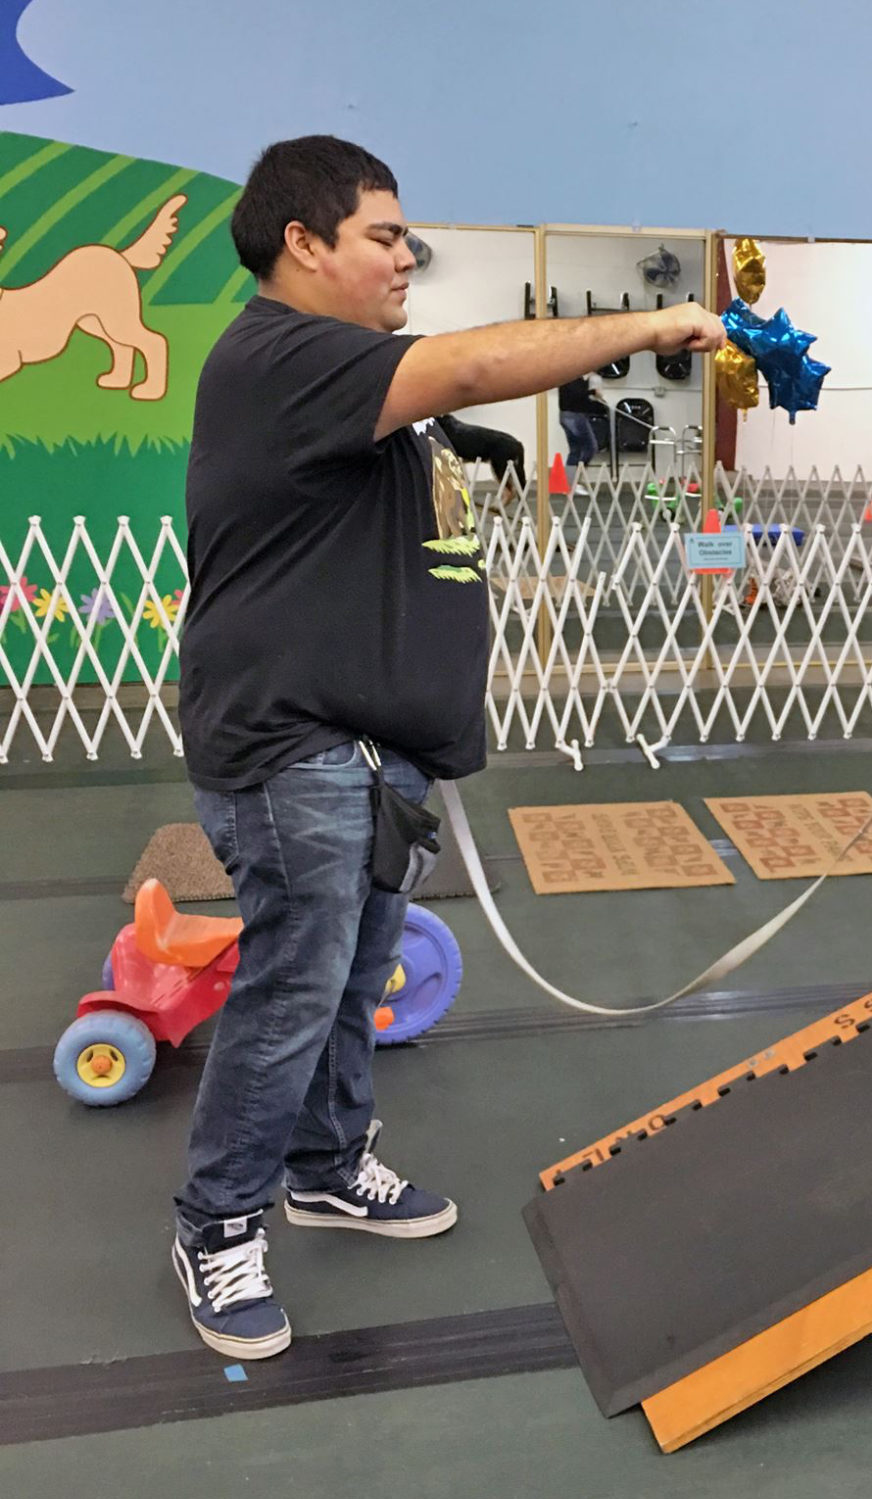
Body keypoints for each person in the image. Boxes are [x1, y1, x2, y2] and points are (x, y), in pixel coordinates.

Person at [173, 135, 723, 1360]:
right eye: (382, 233)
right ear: (301, 243)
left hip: (371, 754)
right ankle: (216, 1224)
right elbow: (474, 364)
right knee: (294, 986)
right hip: (293, 749)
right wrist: (656, 322)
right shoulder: (282, 356)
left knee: (350, 976)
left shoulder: (342, 374)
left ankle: (325, 1166)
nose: (403, 254)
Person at [557, 373, 601, 475]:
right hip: (575, 416)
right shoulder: (573, 377)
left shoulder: (566, 377)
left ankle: (570, 482)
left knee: (575, 451)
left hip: (565, 415)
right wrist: (593, 391)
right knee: (590, 448)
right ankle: (576, 476)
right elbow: (577, 394)